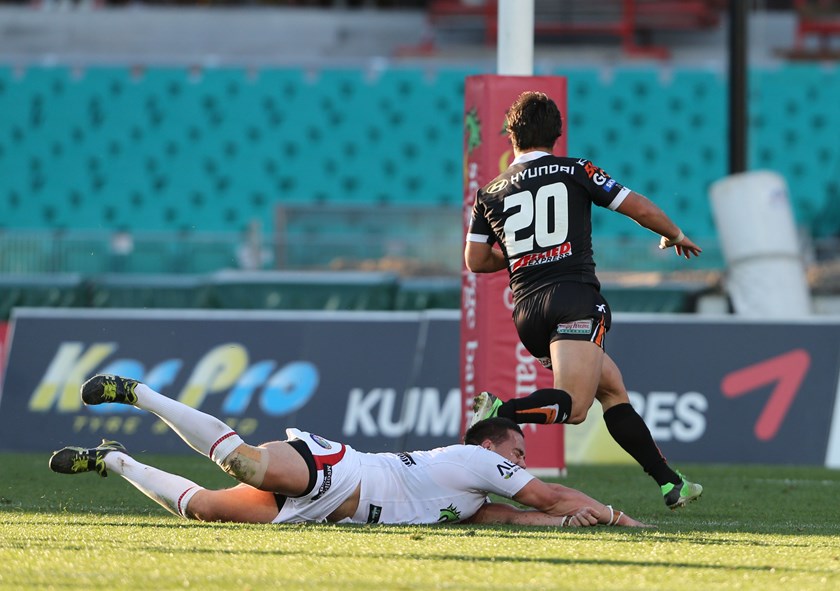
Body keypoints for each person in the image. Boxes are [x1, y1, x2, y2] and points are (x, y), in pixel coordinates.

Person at [465, 91, 703, 510]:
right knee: (574, 408)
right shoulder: (576, 170)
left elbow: (476, 260)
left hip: (526, 311)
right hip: (573, 300)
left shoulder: (489, 193)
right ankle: (501, 409)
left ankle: (670, 482)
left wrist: (524, 252)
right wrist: (675, 233)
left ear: (510, 136)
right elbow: (637, 207)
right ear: (557, 134)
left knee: (611, 389)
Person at [49, 374, 648, 528]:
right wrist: (618, 516)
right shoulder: (481, 460)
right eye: (517, 449)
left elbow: (526, 516)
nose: (521, 460)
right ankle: (139, 392)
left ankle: (112, 460)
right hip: (339, 474)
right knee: (246, 463)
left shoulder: (467, 497)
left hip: (321, 510)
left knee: (202, 508)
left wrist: (575, 520)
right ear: (493, 445)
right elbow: (547, 496)